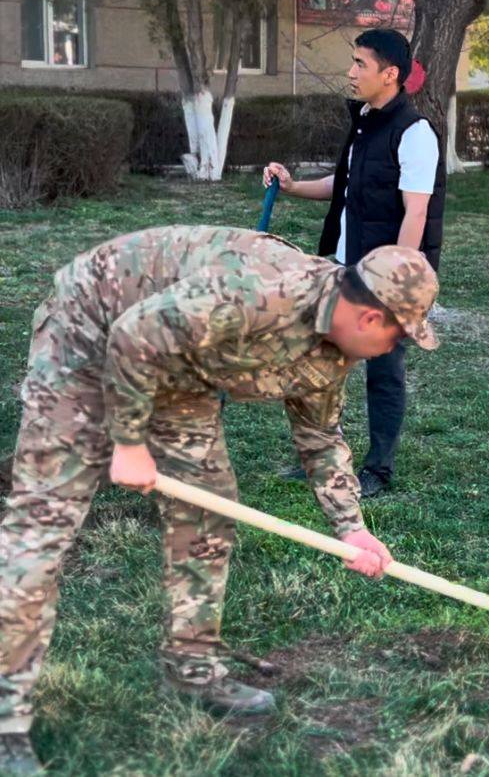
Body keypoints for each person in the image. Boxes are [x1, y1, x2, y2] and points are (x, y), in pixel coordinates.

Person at [0, 226, 439, 774]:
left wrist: (351, 528)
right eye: (400, 337)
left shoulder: (336, 348)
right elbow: (136, 335)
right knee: (42, 527)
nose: (395, 348)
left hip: (184, 362)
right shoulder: (260, 292)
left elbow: (321, 438)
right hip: (92, 328)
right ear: (371, 318)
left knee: (207, 510)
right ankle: (5, 722)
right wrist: (130, 444)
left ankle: (193, 666)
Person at [264, 28, 443, 498]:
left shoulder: (415, 133)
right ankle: (322, 458)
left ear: (390, 74)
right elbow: (341, 185)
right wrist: (291, 186)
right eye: (353, 61)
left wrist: (394, 284)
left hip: (387, 277)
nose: (350, 72)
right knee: (322, 361)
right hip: (347, 266)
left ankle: (378, 470)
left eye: (360, 64)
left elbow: (417, 211)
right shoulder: (365, 120)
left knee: (384, 370)